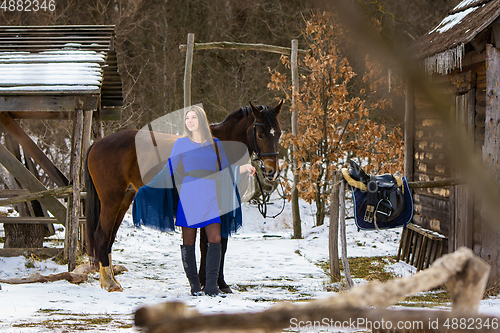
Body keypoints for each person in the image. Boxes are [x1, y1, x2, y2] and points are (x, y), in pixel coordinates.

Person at [133, 105, 255, 296]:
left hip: (210, 196)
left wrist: (244, 168)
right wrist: (147, 188)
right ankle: (195, 285)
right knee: (189, 241)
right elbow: (169, 170)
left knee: (215, 238)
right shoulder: (181, 144)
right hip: (189, 194)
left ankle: (212, 285)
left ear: (201, 120)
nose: (189, 121)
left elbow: (223, 171)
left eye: (193, 118)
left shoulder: (215, 143)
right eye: (187, 118)